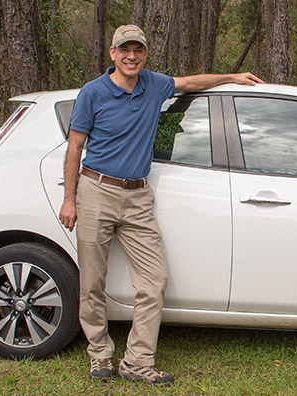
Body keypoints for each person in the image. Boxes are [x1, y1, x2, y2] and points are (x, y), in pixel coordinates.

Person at [58, 24, 263, 386]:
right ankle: (100, 354)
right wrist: (70, 199)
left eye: (137, 50)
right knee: (92, 281)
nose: (131, 56)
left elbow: (191, 83)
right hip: (97, 190)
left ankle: (137, 360)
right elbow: (74, 147)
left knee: (154, 281)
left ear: (145, 54)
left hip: (138, 196)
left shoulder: (154, 84)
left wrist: (232, 76)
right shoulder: (93, 93)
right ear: (112, 53)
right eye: (125, 49)